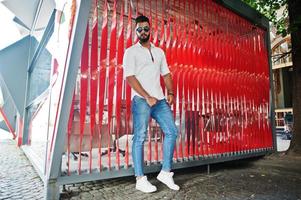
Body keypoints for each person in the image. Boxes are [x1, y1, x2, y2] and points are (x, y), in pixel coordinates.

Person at [123, 15, 179, 193]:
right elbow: (130, 78)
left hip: (160, 100)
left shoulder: (159, 52)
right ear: (135, 31)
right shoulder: (130, 52)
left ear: (150, 30)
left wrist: (170, 92)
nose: (143, 32)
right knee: (139, 137)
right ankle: (140, 179)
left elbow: (166, 74)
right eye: (139, 29)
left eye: (146, 28)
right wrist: (147, 96)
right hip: (142, 100)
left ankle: (165, 172)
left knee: (172, 131)